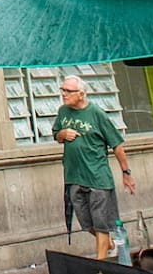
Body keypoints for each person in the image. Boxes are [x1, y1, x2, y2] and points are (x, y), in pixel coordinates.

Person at [52, 75, 137, 260]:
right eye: (62, 90)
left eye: (68, 91)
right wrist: (63, 134)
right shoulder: (63, 112)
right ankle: (109, 243)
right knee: (85, 221)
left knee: (101, 223)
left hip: (97, 176)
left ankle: (101, 263)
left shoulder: (96, 113)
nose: (64, 94)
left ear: (81, 94)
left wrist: (126, 172)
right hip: (74, 176)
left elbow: (117, 145)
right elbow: (56, 135)